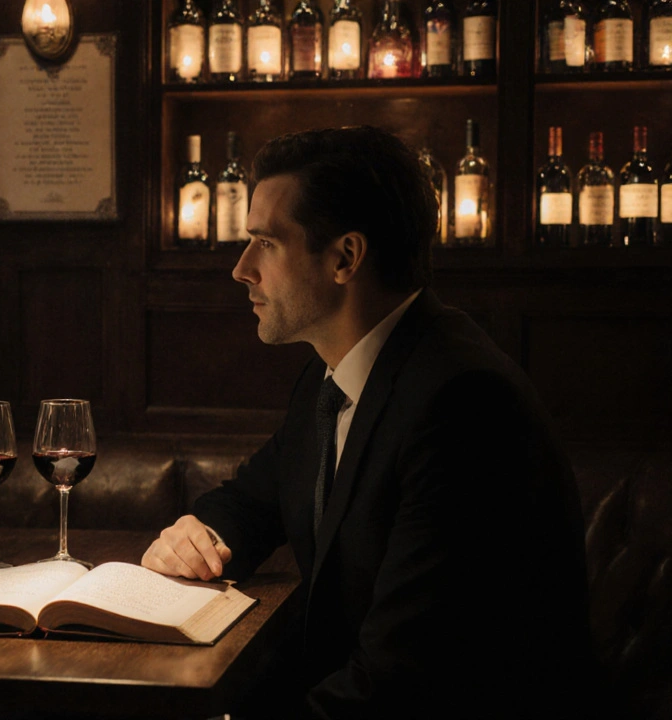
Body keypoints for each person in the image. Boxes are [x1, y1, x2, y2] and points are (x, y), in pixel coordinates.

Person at [141, 126, 595, 719]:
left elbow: (404, 677)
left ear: (346, 258)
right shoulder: (331, 375)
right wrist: (196, 537)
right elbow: (253, 501)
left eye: (265, 243)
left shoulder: (462, 402)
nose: (242, 269)